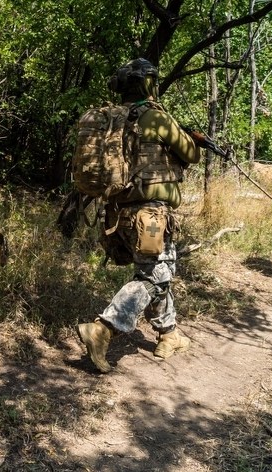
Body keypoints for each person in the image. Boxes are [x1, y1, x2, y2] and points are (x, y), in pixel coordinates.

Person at [76, 58, 200, 373]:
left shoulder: (111, 119)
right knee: (154, 279)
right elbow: (190, 154)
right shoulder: (155, 118)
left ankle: (169, 334)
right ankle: (104, 328)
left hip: (118, 213)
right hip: (152, 216)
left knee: (156, 272)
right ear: (148, 83)